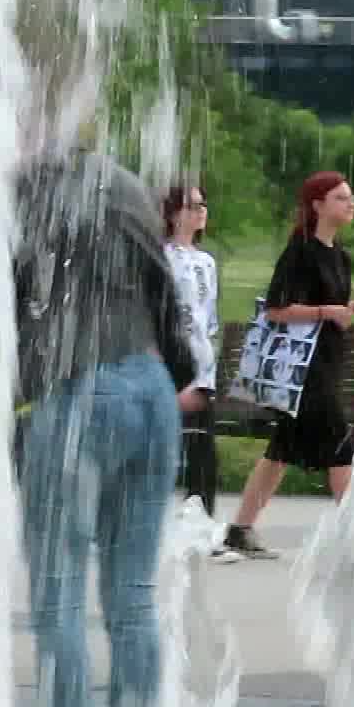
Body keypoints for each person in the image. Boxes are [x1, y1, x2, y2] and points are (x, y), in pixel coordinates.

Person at [0, 149, 202, 707]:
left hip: (79, 392)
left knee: (59, 600)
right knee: (133, 601)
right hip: (151, 390)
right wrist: (173, 372)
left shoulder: (11, 184)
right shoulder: (120, 180)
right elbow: (164, 295)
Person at [219, 171, 354, 564]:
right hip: (301, 371)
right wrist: (326, 311)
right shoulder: (300, 252)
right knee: (340, 444)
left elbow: (329, 308)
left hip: (326, 362)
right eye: (340, 197)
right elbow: (276, 309)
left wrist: (343, 312)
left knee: (282, 449)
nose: (350, 203)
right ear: (317, 205)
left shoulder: (340, 255)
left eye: (350, 197)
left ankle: (239, 530)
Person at [161, 184, 219, 518]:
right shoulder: (160, 255)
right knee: (162, 445)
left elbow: (208, 318)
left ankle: (201, 518)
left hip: (202, 366)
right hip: (170, 363)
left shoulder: (206, 262)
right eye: (192, 205)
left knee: (203, 448)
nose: (201, 211)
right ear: (173, 214)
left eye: (203, 204)